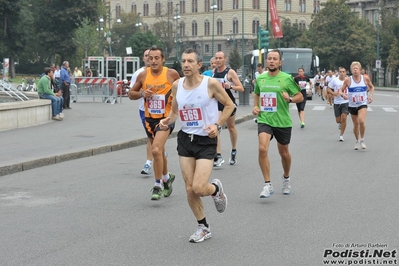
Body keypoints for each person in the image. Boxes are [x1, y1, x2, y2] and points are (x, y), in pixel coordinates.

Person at [159, 48, 233, 243]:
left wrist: (217, 125)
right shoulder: (177, 85)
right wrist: (167, 120)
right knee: (190, 188)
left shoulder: (211, 84)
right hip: (185, 139)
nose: (185, 65)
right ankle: (203, 226)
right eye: (183, 61)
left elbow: (229, 105)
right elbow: (175, 111)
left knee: (199, 187)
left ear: (199, 65)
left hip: (205, 140)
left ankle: (216, 190)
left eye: (190, 61)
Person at [128, 46, 180, 200]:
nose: (154, 61)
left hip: (166, 118)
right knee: (160, 151)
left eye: (157, 58)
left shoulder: (171, 74)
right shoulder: (143, 75)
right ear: (147, 59)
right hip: (149, 118)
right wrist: (143, 93)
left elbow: (184, 89)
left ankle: (157, 185)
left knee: (156, 150)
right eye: (151, 58)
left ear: (163, 59)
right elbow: (131, 94)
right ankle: (166, 177)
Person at [252, 49, 303, 198]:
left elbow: (300, 96)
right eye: (269, 59)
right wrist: (255, 106)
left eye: (275, 59)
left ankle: (286, 178)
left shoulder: (286, 78)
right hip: (265, 119)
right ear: (266, 61)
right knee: (262, 148)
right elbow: (256, 93)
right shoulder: (261, 78)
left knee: (284, 153)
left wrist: (290, 99)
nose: (272, 61)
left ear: (280, 62)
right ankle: (267, 184)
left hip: (282, 121)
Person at [213, 51, 244, 166]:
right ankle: (218, 156)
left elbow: (241, 88)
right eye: (216, 58)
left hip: (228, 104)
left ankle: (234, 149)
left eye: (220, 58)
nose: (218, 60)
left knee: (231, 128)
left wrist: (230, 86)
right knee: (217, 128)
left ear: (225, 59)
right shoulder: (213, 72)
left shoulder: (230, 72)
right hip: (217, 104)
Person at [339, 61, 374, 150]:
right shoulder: (348, 80)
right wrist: (343, 95)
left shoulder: (365, 79)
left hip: (362, 103)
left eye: (356, 68)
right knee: (355, 125)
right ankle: (357, 141)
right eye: (353, 69)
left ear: (360, 70)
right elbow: (340, 90)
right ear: (351, 70)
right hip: (352, 105)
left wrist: (370, 95)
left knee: (361, 121)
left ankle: (362, 139)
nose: (355, 70)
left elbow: (371, 87)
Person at [129, 48, 153, 175]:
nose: (149, 58)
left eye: (152, 56)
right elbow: (132, 93)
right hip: (145, 111)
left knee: (155, 138)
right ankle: (155, 154)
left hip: (163, 112)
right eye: (146, 56)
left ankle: (149, 162)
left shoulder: (167, 74)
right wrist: (143, 93)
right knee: (151, 137)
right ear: (143, 58)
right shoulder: (139, 74)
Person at [328, 67, 349, 142]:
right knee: (338, 120)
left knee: (344, 117)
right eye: (340, 72)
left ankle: (341, 135)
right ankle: (340, 123)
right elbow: (328, 88)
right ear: (338, 72)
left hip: (345, 102)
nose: (342, 73)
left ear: (345, 72)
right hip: (337, 102)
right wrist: (334, 93)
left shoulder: (348, 80)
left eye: (343, 71)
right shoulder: (335, 80)